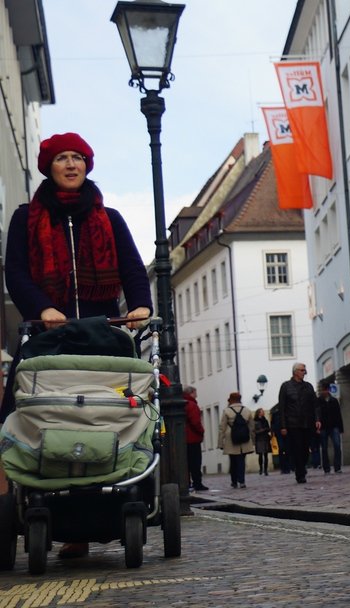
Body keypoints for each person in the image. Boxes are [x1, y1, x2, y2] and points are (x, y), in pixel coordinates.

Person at [1, 132, 153, 560]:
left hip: (103, 332)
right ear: (49, 167)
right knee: (38, 414)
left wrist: (140, 304)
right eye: (62, 159)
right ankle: (50, 507)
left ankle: (112, 499)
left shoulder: (110, 218)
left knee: (108, 416)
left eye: (78, 158)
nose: (71, 165)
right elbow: (16, 272)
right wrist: (42, 307)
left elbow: (132, 269)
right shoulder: (25, 218)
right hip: (48, 333)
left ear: (87, 165)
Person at [277, 363, 321, 484]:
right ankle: (300, 473)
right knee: (297, 448)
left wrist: (317, 419)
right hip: (293, 423)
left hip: (307, 422)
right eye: (302, 370)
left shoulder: (308, 387)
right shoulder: (286, 386)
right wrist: (283, 426)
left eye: (305, 370)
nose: (304, 372)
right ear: (295, 372)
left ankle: (301, 467)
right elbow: (282, 408)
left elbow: (315, 405)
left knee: (306, 449)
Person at [220, 392, 253, 488]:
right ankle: (242, 481)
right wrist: (253, 440)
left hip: (231, 437)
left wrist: (220, 443)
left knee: (233, 460)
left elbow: (222, 427)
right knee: (242, 460)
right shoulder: (247, 410)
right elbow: (252, 426)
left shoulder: (227, 411)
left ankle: (234, 481)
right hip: (244, 436)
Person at [316, 379, 344, 474]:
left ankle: (337, 467)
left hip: (334, 426)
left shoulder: (334, 400)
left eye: (325, 389)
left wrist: (340, 428)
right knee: (324, 448)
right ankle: (326, 468)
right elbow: (316, 414)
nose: (324, 391)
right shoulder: (318, 401)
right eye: (323, 390)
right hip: (323, 427)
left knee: (337, 446)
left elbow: (338, 415)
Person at [184, 386, 209, 491]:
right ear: (192, 393)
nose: (197, 394)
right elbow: (195, 422)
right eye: (195, 392)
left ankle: (187, 483)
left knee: (186, 463)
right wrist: (201, 431)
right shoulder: (191, 405)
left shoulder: (182, 403)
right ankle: (197, 483)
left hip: (183, 439)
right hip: (193, 438)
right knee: (195, 463)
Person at [269, 402, 291, 474]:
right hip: (279, 433)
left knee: (287, 449)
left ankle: (288, 466)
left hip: (287, 433)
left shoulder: (287, 413)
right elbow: (273, 423)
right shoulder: (276, 414)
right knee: (281, 449)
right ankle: (283, 467)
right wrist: (273, 432)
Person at [253, 408, 272, 475]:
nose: (263, 412)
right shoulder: (255, 421)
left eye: (263, 411)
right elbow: (254, 431)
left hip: (265, 438)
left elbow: (268, 428)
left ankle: (265, 470)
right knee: (260, 455)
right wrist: (263, 430)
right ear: (259, 413)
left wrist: (267, 430)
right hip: (259, 439)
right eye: (262, 412)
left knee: (266, 455)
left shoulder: (265, 420)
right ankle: (261, 469)